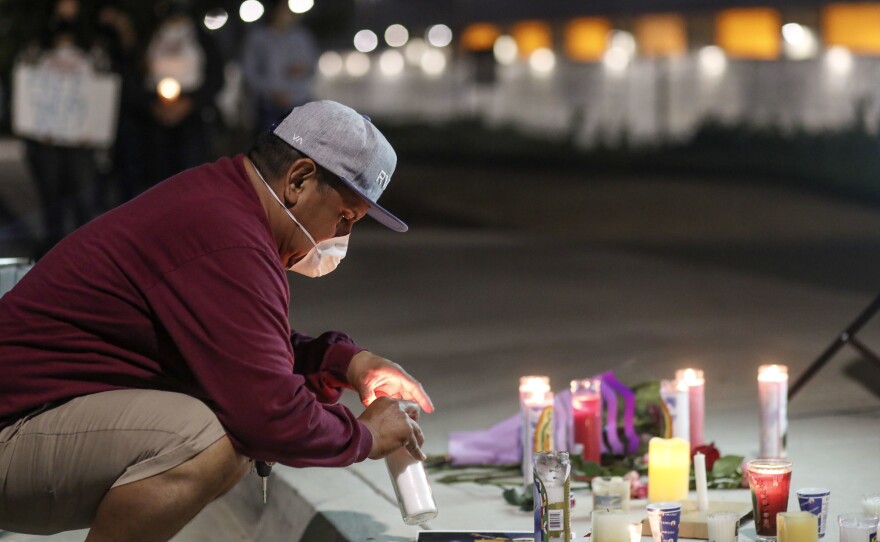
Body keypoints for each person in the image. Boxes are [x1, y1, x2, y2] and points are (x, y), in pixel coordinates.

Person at [0, 100, 431, 541]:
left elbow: (242, 350)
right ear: (299, 179)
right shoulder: (228, 240)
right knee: (211, 439)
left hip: (31, 415)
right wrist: (364, 435)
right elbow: (269, 415)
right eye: (345, 218)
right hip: (11, 431)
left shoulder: (222, 204)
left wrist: (346, 362)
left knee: (228, 424)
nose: (342, 238)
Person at [241, 0, 319, 133]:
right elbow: (249, 72)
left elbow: (312, 65)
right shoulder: (258, 38)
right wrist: (272, 93)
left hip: (299, 103)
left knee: (300, 144)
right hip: (268, 106)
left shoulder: (302, 37)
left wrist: (302, 69)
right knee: (271, 147)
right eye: (282, 9)